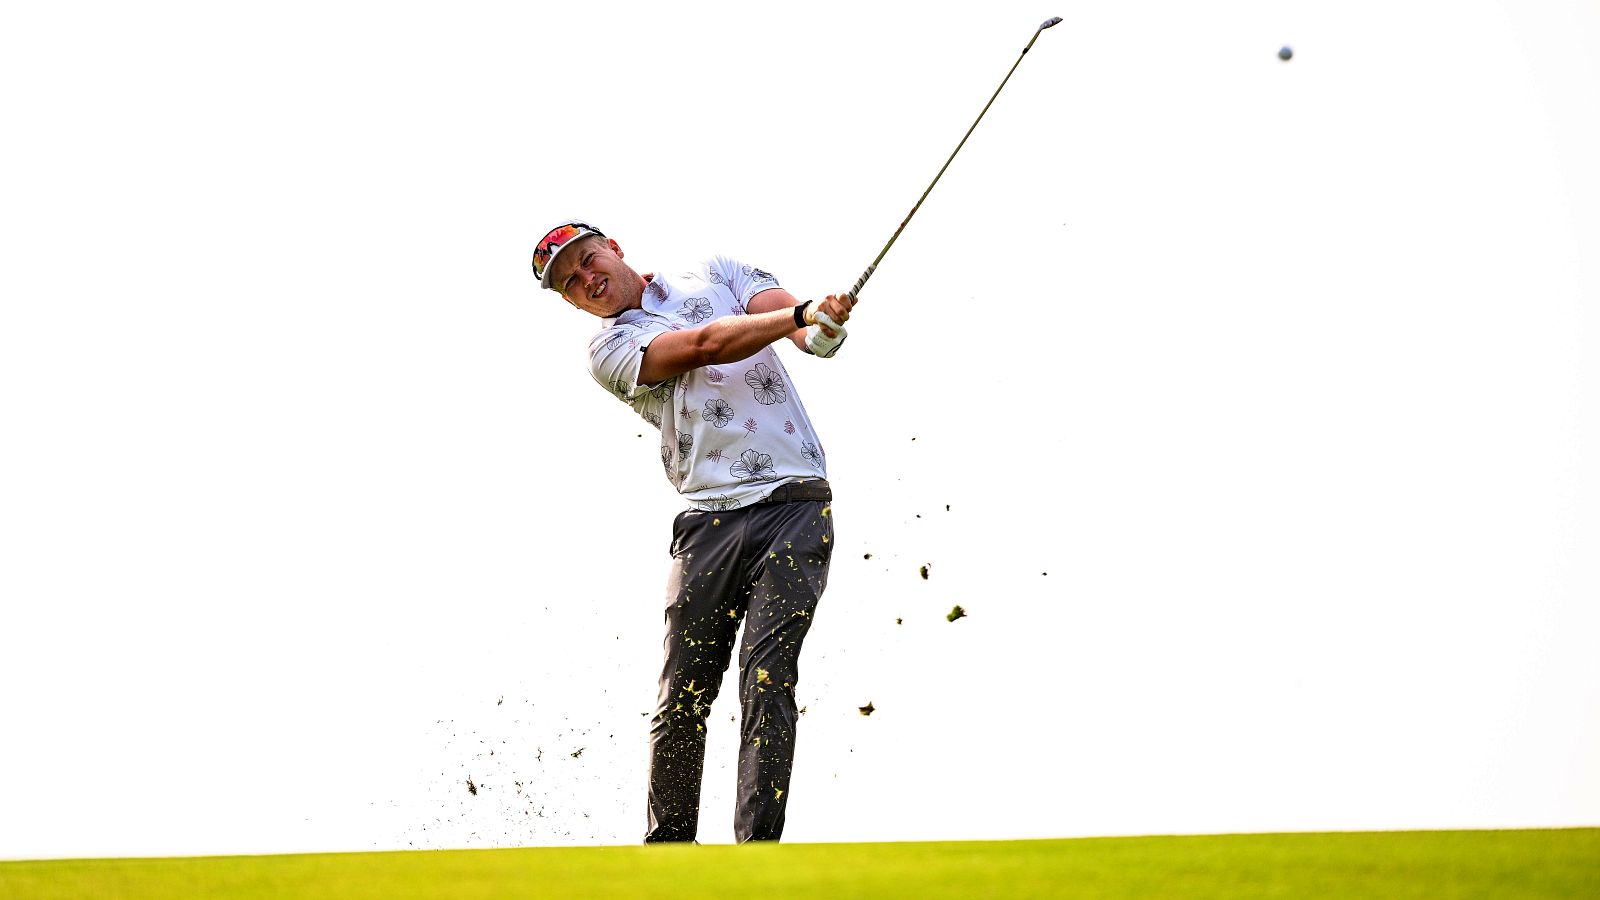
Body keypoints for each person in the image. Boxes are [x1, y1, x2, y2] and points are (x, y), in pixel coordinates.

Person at [532, 219, 857, 843]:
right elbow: (707, 344)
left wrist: (824, 321)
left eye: (588, 260)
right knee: (684, 695)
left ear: (614, 248)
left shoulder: (718, 273)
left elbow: (804, 333)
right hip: (709, 521)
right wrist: (802, 315)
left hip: (794, 503)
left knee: (768, 673)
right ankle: (670, 854)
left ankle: (758, 852)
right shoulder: (610, 352)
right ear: (572, 303)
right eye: (571, 284)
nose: (587, 279)